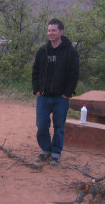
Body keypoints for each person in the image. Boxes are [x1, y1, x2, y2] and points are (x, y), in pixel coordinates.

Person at [32, 18, 79, 165]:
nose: (50, 33)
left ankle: (56, 153)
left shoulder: (70, 51)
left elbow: (74, 74)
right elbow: (35, 71)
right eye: (49, 30)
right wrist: (36, 90)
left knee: (59, 127)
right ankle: (45, 150)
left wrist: (67, 93)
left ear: (61, 31)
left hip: (61, 98)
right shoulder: (43, 51)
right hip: (43, 97)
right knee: (41, 125)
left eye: (53, 30)